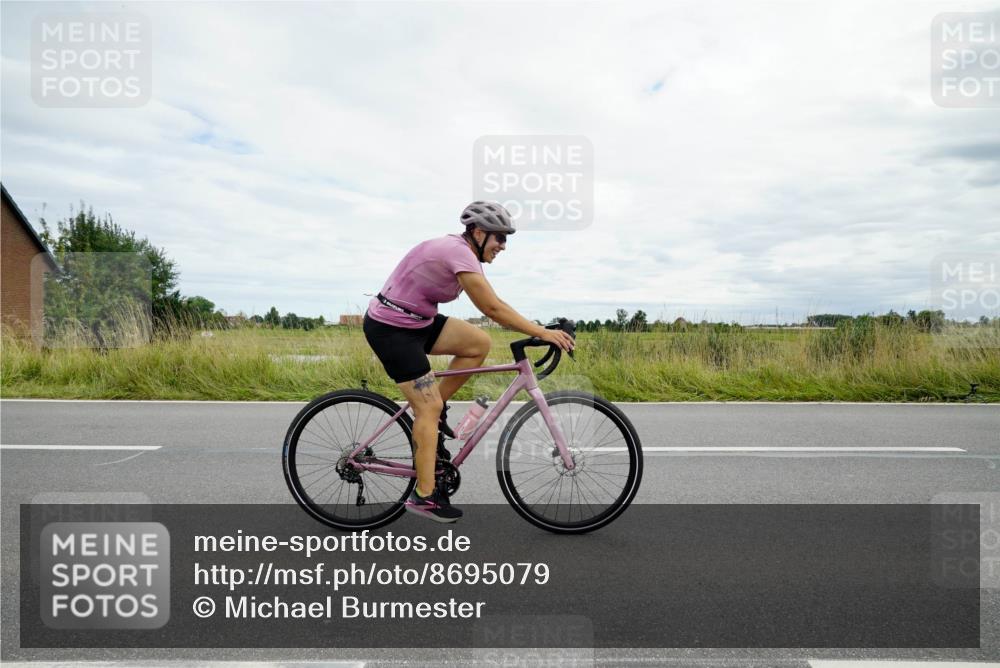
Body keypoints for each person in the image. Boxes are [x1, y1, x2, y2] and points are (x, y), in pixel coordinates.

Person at [363, 201, 575, 523]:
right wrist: (542, 332)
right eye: (499, 238)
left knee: (478, 343)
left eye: (507, 240)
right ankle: (424, 497)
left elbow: (496, 304)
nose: (503, 246)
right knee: (428, 407)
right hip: (392, 328)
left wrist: (540, 327)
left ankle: (432, 413)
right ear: (477, 232)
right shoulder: (458, 252)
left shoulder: (467, 256)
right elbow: (493, 309)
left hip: (419, 322)